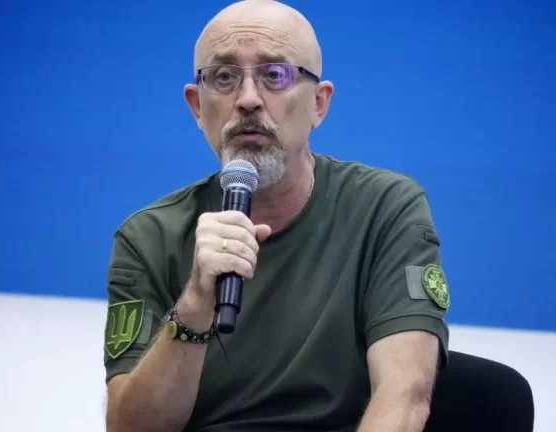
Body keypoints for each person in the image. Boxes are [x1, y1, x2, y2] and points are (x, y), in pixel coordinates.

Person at [102, 1, 451, 431]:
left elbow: (404, 396)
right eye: (224, 77)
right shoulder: (148, 237)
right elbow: (128, 427)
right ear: (197, 106)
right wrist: (194, 305)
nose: (248, 99)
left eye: (275, 75)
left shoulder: (385, 209)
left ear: (319, 103)